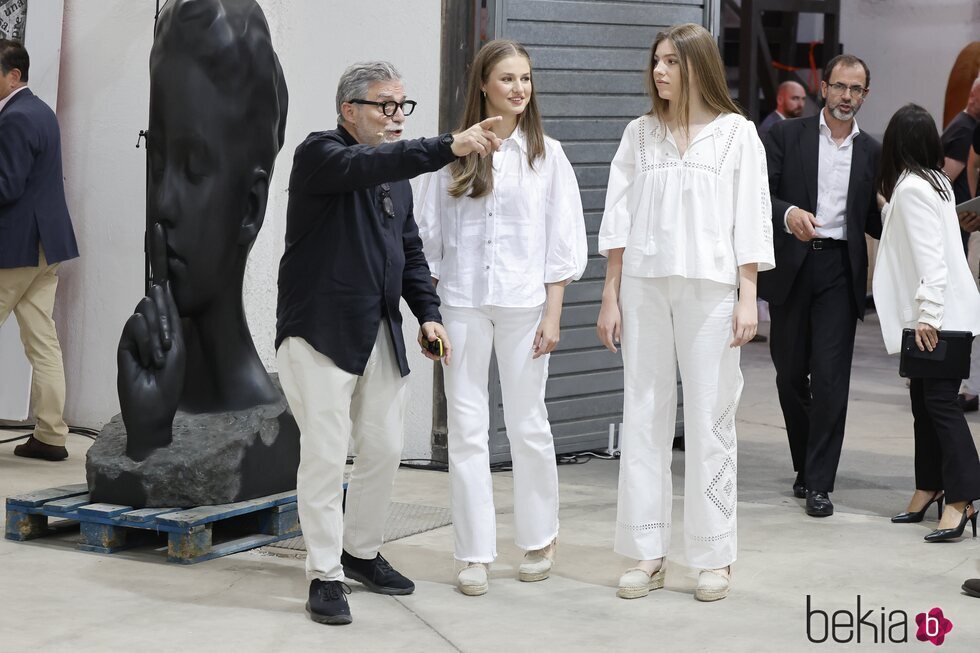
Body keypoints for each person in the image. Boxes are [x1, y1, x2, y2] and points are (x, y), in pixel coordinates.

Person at [275, 61, 501, 626]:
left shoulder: (394, 175)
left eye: (404, 105)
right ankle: (325, 573)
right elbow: (372, 161)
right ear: (349, 109)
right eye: (386, 105)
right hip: (319, 333)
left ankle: (361, 551)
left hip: (377, 330)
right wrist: (451, 144)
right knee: (326, 456)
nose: (397, 116)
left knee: (383, 446)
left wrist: (427, 313)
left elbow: (411, 251)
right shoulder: (321, 155)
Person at [596, 23, 774, 602]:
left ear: (698, 66)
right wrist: (610, 294)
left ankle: (713, 556)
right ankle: (647, 551)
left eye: (671, 61)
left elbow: (750, 217)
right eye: (656, 61)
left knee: (710, 419)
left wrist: (748, 295)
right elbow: (617, 221)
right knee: (643, 414)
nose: (659, 71)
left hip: (712, 290)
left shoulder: (737, 135)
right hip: (644, 286)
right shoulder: (639, 134)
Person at [416, 39, 587, 597]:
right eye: (508, 79)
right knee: (467, 430)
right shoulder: (452, 153)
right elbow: (429, 241)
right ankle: (473, 553)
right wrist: (430, 314)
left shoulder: (547, 155)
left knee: (528, 424)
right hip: (462, 303)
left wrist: (554, 314)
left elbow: (562, 243)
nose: (519, 89)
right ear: (484, 85)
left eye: (526, 79)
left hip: (523, 306)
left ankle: (539, 538)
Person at [114, 0, 288, 461]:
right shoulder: (153, 389)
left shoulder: (267, 429)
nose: (163, 203)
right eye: (157, 163)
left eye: (193, 169)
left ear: (250, 207)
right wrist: (147, 434)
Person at [758, 54, 882, 517]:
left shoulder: (872, 150)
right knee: (790, 377)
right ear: (823, 89)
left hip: (838, 272)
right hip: (791, 267)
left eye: (856, 90)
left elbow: (871, 217)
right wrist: (789, 215)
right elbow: (759, 194)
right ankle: (805, 463)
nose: (847, 97)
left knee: (830, 381)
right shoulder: (785, 136)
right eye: (840, 87)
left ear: (864, 96)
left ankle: (819, 481)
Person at [872, 103, 980, 543]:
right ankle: (928, 486)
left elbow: (931, 261)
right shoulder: (932, 183)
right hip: (943, 316)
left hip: (938, 319)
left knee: (939, 407)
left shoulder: (915, 188)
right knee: (925, 405)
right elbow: (911, 236)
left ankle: (962, 497)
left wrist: (928, 316)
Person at [0, 39, 78, 461]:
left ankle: (50, 434)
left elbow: (7, 187)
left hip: (16, 249)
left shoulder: (13, 119)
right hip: (47, 247)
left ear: (14, 74)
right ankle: (50, 436)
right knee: (42, 340)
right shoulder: (42, 112)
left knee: (42, 340)